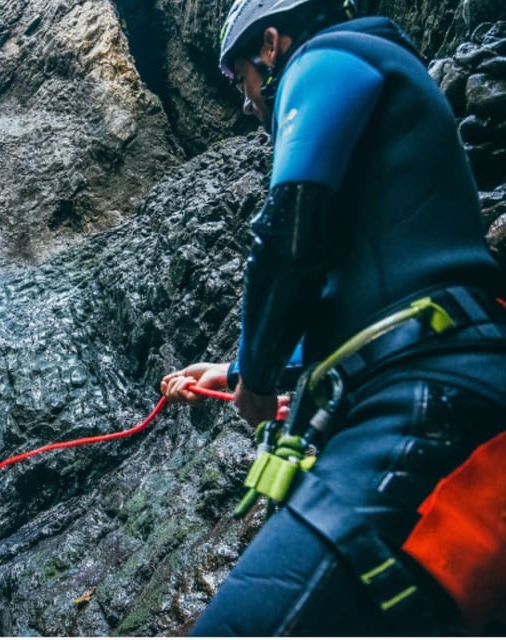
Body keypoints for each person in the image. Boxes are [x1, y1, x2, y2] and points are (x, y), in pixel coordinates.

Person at [161, 0, 506, 634]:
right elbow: (360, 280)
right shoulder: (380, 80)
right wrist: (234, 367)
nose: (246, 102)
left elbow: (290, 230)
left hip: (426, 392)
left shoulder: (326, 57)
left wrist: (256, 382)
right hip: (439, 379)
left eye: (242, 79)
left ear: (271, 45)